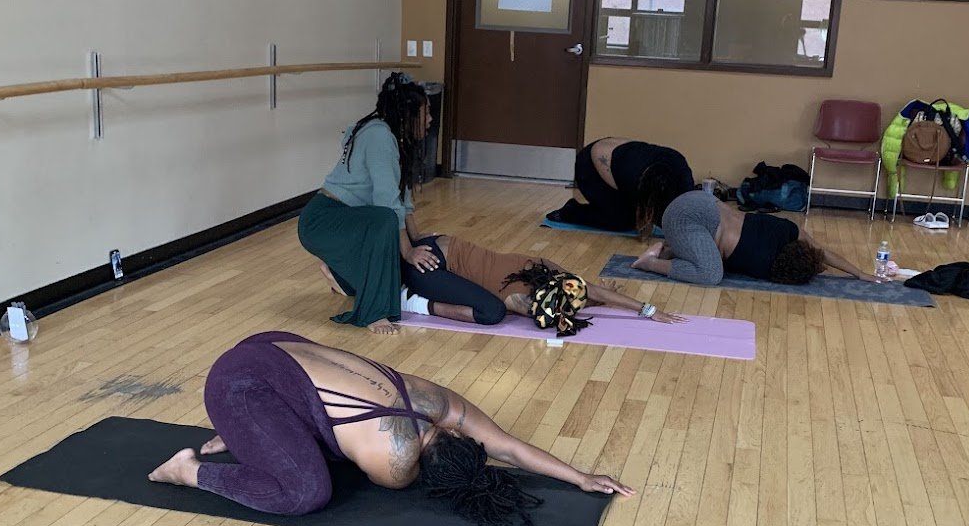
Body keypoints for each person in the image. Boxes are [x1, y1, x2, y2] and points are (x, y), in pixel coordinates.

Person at [147, 331, 633, 526]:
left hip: (272, 344)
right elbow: (504, 449)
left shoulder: (441, 404)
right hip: (238, 383)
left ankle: (244, 432)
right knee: (307, 491)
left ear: (458, 437)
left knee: (333, 439)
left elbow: (505, 446)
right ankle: (187, 471)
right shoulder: (397, 465)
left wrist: (580, 476)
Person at [296, 72, 439, 336]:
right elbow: (388, 203)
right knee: (384, 221)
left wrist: (416, 236)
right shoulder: (379, 136)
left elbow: (402, 194)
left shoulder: (393, 136)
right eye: (425, 113)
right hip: (323, 220)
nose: (430, 119)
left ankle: (339, 276)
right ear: (406, 115)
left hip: (349, 219)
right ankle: (374, 313)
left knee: (390, 247)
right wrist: (408, 251)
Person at [400, 234, 687, 333]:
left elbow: (590, 288)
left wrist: (648, 310)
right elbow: (553, 313)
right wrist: (595, 300)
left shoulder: (543, 266)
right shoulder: (517, 299)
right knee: (491, 312)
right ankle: (414, 302)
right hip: (426, 267)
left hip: (434, 246)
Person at [631, 188, 875, 287]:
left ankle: (670, 249)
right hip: (681, 219)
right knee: (711, 274)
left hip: (700, 199)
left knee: (711, 250)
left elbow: (822, 252)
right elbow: (820, 258)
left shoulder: (790, 231)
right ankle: (649, 262)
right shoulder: (763, 265)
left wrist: (859, 272)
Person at [547, 137, 695, 237]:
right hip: (589, 168)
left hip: (618, 156)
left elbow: (688, 209)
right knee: (622, 221)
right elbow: (651, 221)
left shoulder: (681, 171)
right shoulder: (633, 178)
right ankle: (571, 211)